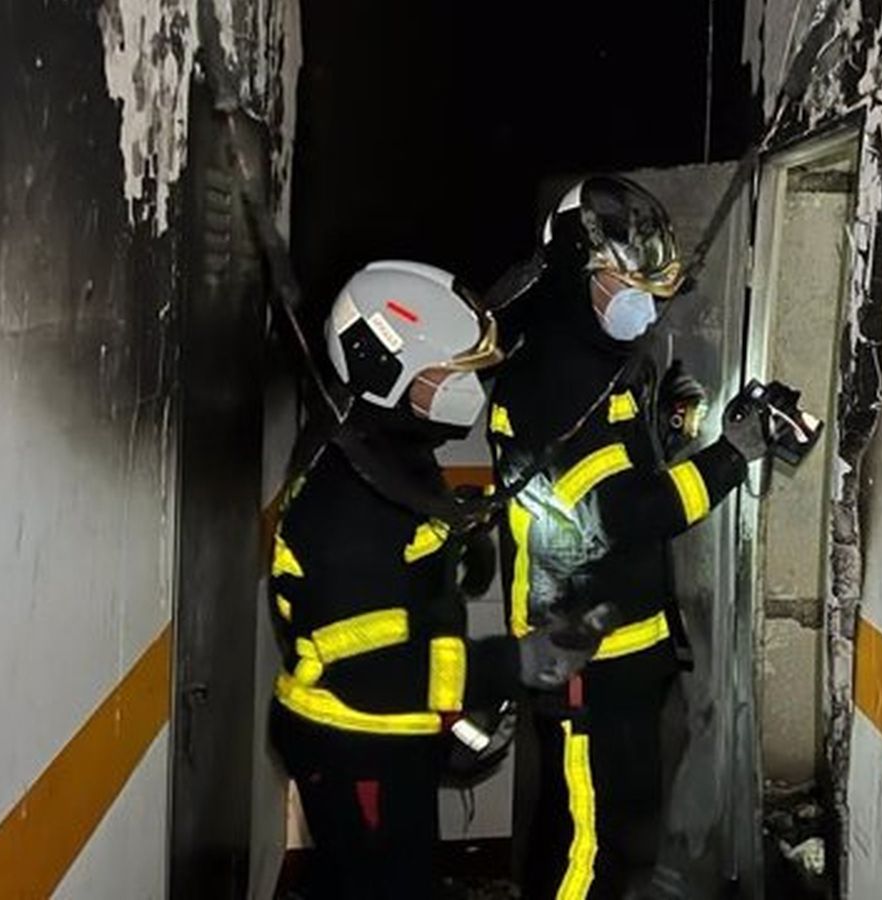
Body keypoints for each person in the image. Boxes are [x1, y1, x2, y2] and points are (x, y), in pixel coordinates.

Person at [486, 177, 770, 899]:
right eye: (624, 283)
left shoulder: (595, 356)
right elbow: (620, 515)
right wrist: (731, 456)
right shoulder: (552, 375)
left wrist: (667, 430)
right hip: (582, 655)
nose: (641, 303)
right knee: (587, 850)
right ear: (572, 273)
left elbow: (613, 467)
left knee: (619, 835)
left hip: (625, 649)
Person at [266, 259, 522, 899]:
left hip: (389, 739)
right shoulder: (348, 501)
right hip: (356, 741)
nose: (470, 388)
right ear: (390, 371)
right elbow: (374, 669)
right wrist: (511, 666)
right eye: (451, 373)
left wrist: (456, 543)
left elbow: (409, 596)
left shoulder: (388, 455)